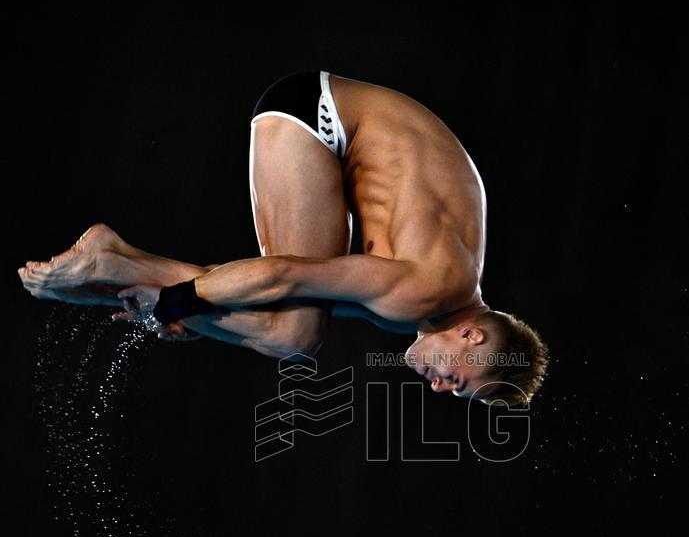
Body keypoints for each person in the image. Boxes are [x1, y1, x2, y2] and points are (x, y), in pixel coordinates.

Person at [18, 71, 548, 405]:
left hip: (322, 130)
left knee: (294, 337)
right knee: (295, 331)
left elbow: (280, 299)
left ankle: (121, 267)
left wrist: (196, 318)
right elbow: (282, 273)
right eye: (456, 380)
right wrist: (179, 301)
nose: (437, 386)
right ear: (471, 337)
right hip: (318, 119)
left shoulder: (426, 306)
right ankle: (114, 261)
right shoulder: (428, 290)